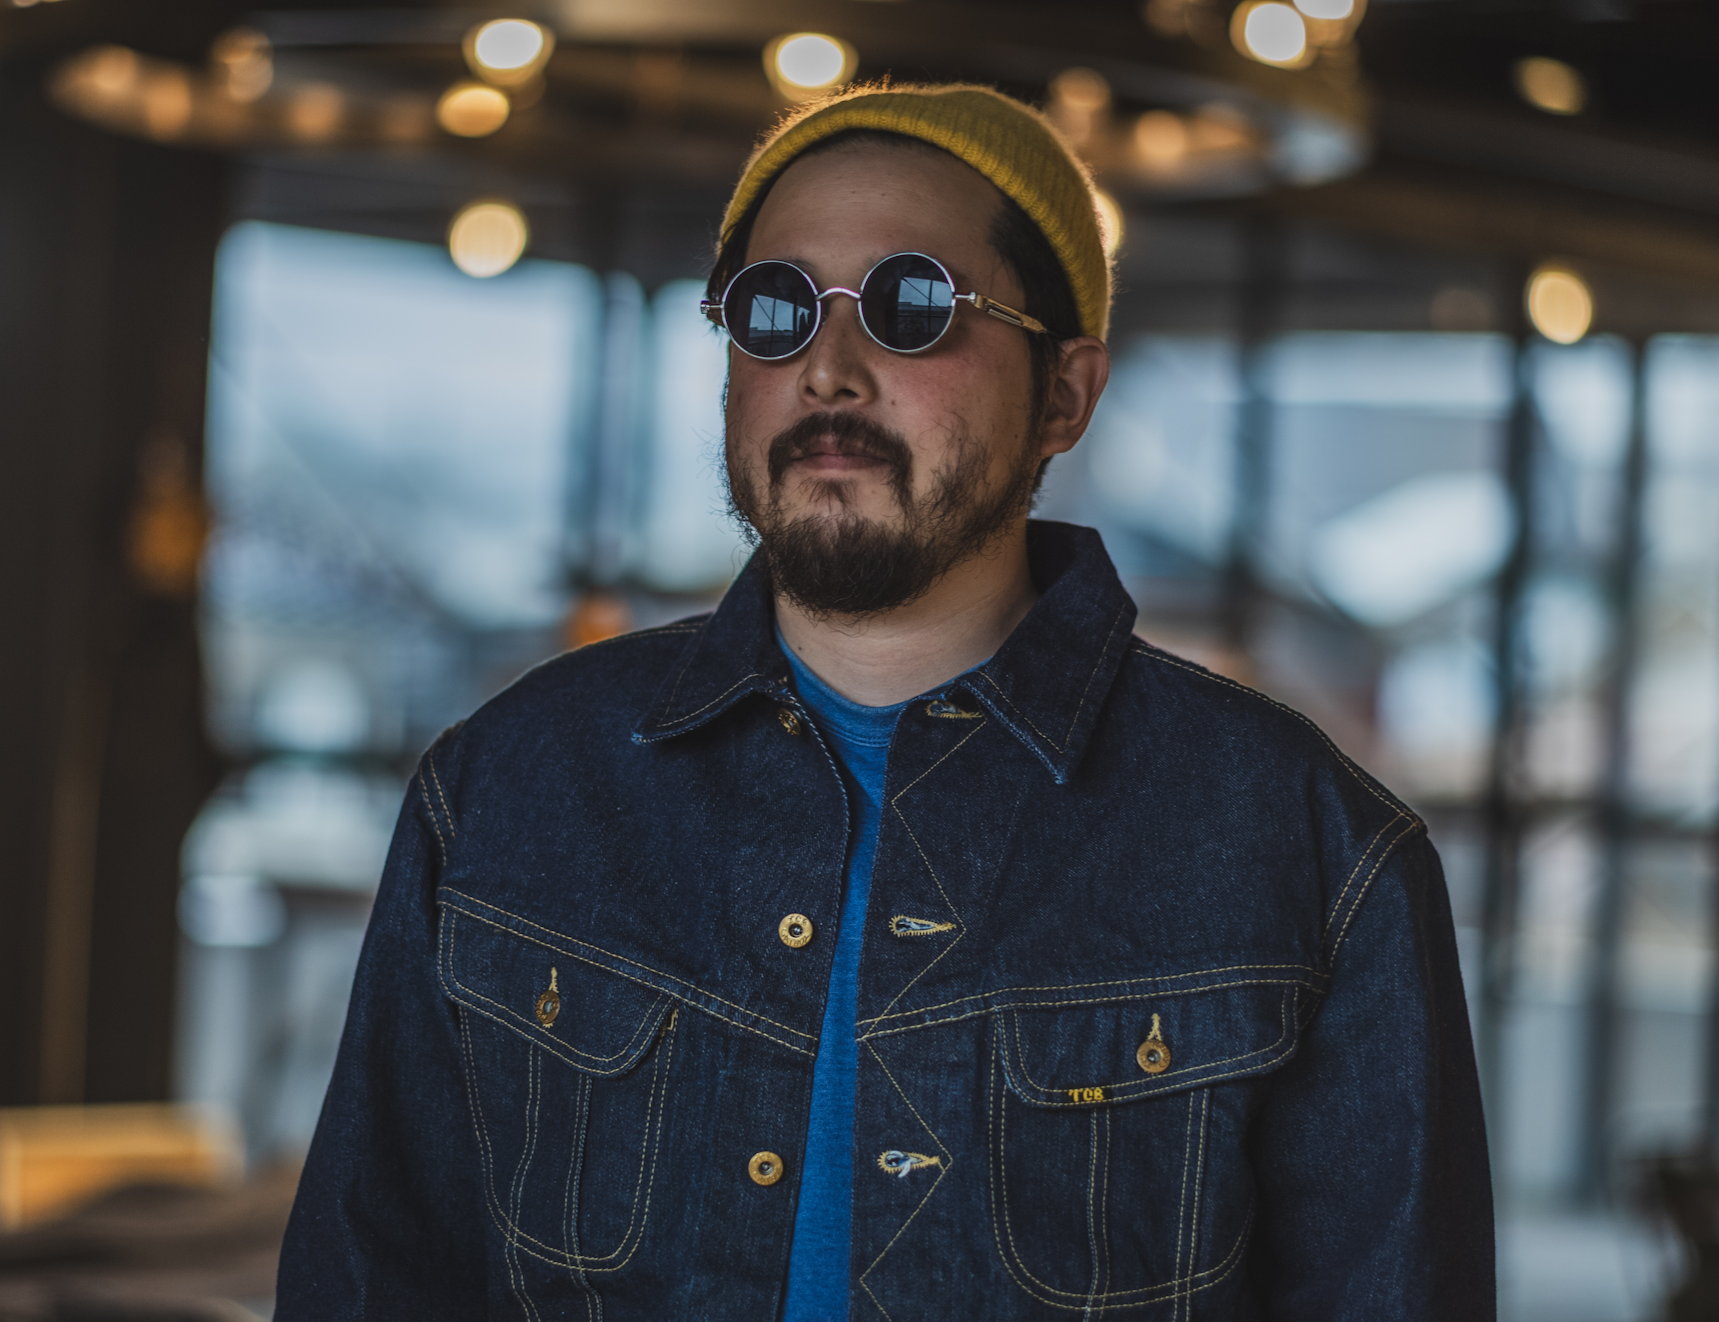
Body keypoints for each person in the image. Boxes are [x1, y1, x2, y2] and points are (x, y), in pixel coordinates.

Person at [278, 83, 1493, 1320]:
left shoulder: (1308, 852)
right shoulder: (508, 788)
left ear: (1064, 395)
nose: (827, 369)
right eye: (775, 307)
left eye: (913, 307)